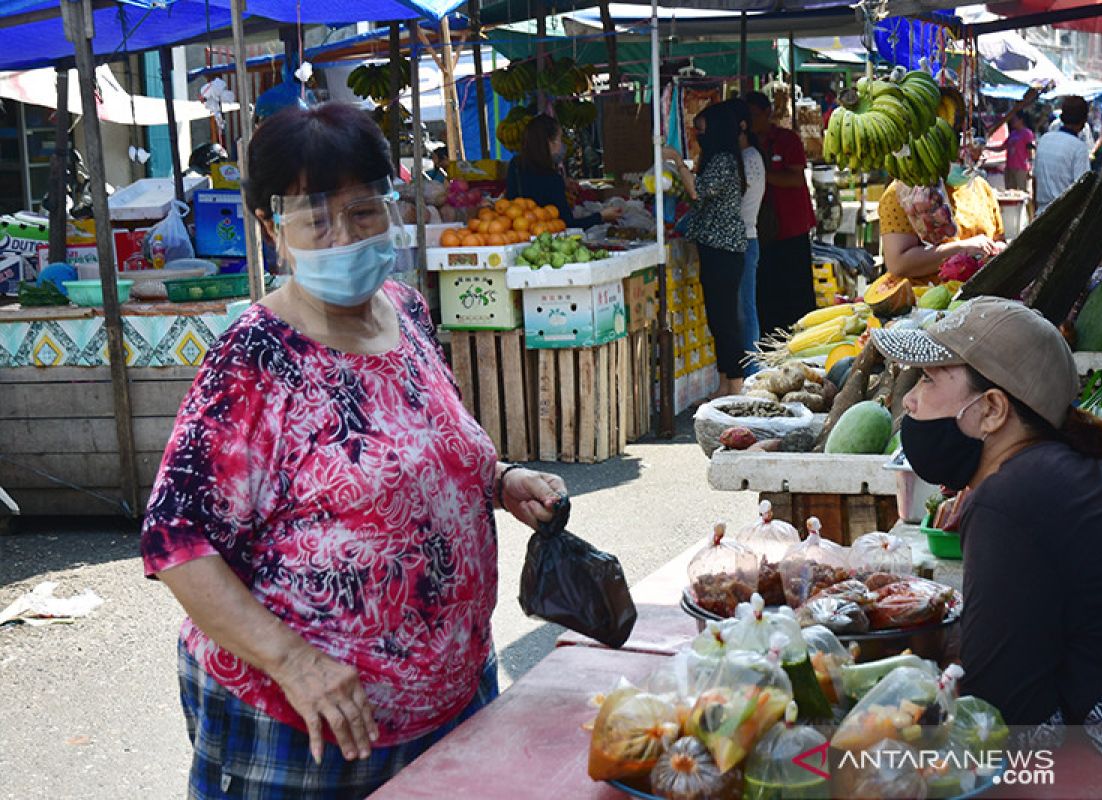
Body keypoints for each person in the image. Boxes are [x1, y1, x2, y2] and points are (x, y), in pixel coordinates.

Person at [141, 102, 569, 799]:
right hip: (306, 726)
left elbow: (424, 442)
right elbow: (177, 542)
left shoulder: (405, 309)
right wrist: (295, 662)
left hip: (451, 698)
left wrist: (500, 478)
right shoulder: (253, 358)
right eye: (316, 219)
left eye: (364, 211)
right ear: (271, 231)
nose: (344, 236)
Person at [872, 297, 1102, 762]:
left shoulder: (1009, 500)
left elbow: (999, 715)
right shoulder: (1057, 473)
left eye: (928, 380)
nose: (909, 400)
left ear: (991, 409)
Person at [663, 101, 749, 397]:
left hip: (724, 250)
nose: (697, 136)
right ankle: (724, 382)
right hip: (714, 248)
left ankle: (735, 385)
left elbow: (697, 190)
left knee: (725, 320)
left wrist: (674, 158)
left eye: (700, 131)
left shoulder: (724, 160)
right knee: (716, 317)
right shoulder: (717, 159)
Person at [743, 91, 817, 336]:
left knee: (796, 293)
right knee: (767, 294)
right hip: (762, 232)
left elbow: (795, 178)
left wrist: (761, 175)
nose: (750, 120)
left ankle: (801, 339)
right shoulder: (746, 144)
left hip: (792, 227)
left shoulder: (787, 139)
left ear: (767, 114)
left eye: (754, 114)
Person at [877, 165, 1007, 281]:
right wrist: (962, 249)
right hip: (925, 301)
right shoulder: (903, 194)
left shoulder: (980, 187)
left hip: (980, 297)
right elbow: (898, 264)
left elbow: (998, 238)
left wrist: (999, 249)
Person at [505, 115, 620, 228]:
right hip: (544, 236)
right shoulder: (552, 179)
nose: (562, 145)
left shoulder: (515, 165)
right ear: (550, 142)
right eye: (560, 139)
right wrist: (601, 216)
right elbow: (567, 224)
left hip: (518, 233)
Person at [730, 99, 766, 376]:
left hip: (745, 239)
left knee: (745, 309)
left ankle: (751, 370)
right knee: (744, 308)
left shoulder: (749, 159)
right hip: (747, 239)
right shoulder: (748, 157)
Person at [1034, 95, 1092, 214]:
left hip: (1041, 213)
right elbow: (1081, 189)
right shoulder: (1079, 148)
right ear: (1084, 120)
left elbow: (1035, 180)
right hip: (1064, 216)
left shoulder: (1044, 139)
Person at [986, 111, 1036, 191]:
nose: (1012, 121)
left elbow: (1030, 150)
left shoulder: (1027, 133)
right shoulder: (1013, 133)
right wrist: (986, 148)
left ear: (1021, 120)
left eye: (1015, 119)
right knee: (1010, 191)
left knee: (1022, 191)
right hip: (1009, 167)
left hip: (1021, 168)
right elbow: (1002, 148)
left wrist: (1030, 167)